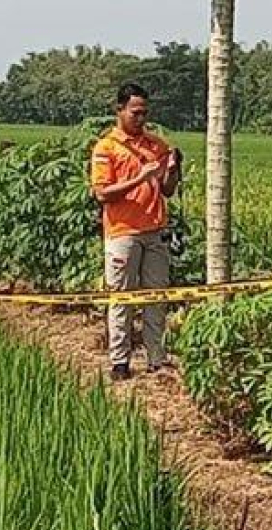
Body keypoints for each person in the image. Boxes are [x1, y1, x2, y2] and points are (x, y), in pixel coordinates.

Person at [90, 83, 181, 381]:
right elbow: (102, 193)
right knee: (122, 297)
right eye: (135, 112)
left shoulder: (157, 145)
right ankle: (120, 360)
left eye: (145, 113)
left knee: (156, 297)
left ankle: (157, 357)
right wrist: (139, 178)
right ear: (120, 110)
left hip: (155, 230)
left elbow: (167, 190)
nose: (141, 119)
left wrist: (172, 170)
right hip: (122, 232)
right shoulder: (107, 148)